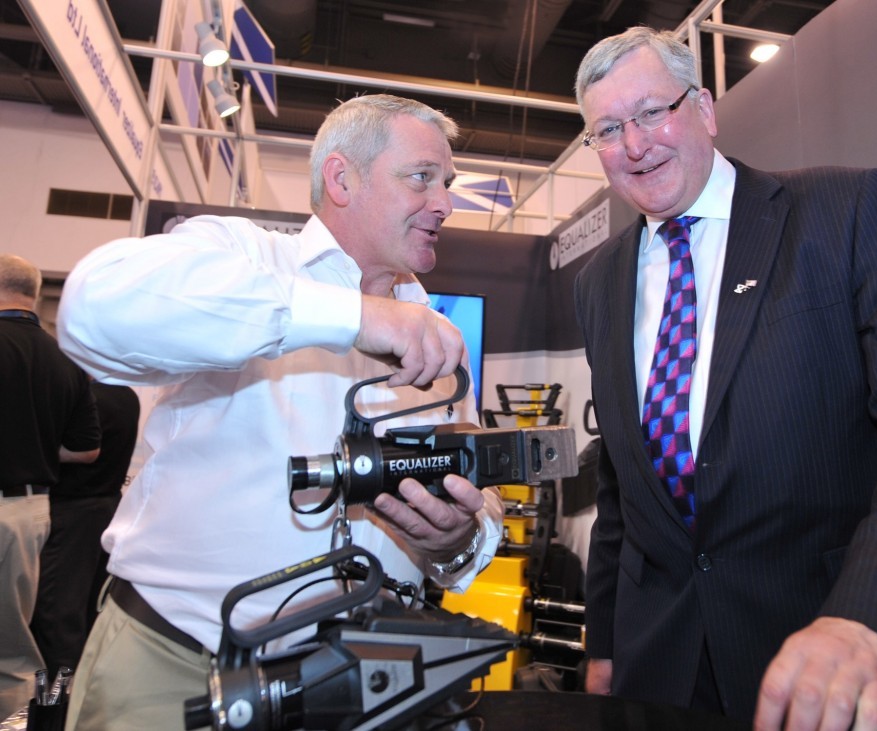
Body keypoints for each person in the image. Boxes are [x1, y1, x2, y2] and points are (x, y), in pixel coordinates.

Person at [572, 27, 877, 731]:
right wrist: (607, 640)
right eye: (608, 129)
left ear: (705, 110)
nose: (634, 143)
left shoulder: (843, 212)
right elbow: (623, 484)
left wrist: (876, 614)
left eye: (654, 112)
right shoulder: (599, 281)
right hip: (664, 672)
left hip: (835, 659)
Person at [56, 94, 505, 730]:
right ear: (342, 178)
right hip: (177, 670)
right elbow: (93, 311)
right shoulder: (240, 257)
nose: (445, 203)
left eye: (447, 184)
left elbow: (480, 507)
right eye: (421, 178)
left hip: (361, 687)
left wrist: (459, 540)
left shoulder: (435, 340)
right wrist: (354, 317)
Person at [0, 253, 100, 720]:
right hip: (32, 513)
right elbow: (85, 450)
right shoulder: (66, 360)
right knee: (16, 648)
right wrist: (35, 443)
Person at [31, 381, 140, 678]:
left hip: (73, 515)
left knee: (58, 616)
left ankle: (57, 709)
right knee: (89, 610)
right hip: (107, 509)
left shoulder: (84, 398)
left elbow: (81, 449)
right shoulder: (126, 395)